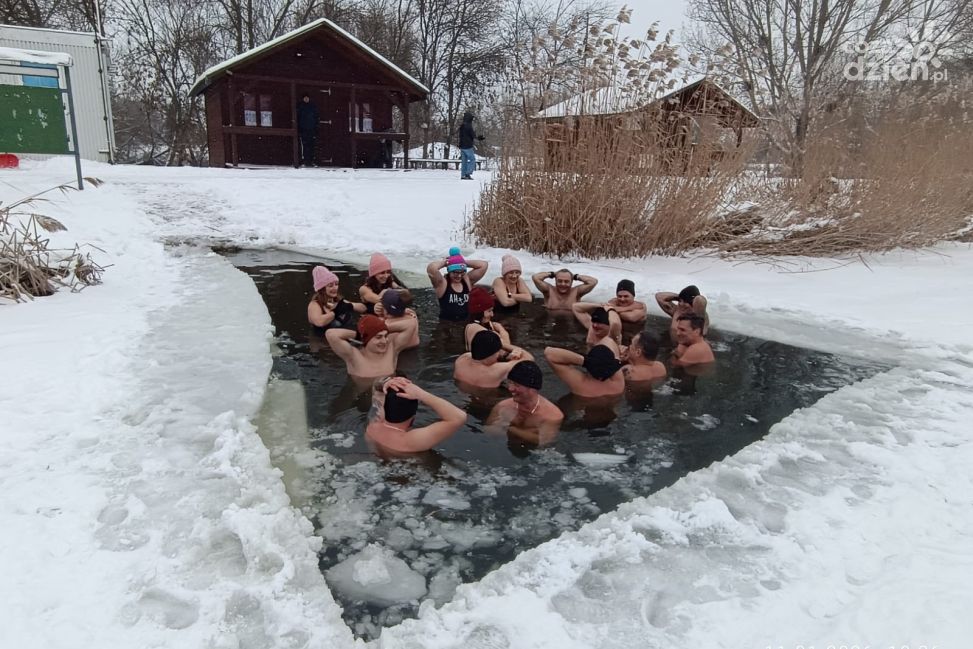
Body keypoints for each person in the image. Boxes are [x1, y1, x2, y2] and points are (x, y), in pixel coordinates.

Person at [365, 376, 467, 454]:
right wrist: (421, 394)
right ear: (414, 415)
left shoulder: (373, 424)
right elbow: (459, 417)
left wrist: (387, 382)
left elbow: (376, 386)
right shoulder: (410, 441)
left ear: (383, 407)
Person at [486, 361, 563, 446]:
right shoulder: (502, 407)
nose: (510, 388)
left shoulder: (552, 415)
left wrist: (511, 429)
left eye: (517, 385)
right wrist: (497, 427)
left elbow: (544, 441)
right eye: (510, 382)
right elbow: (487, 431)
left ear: (533, 388)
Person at [325, 313, 418, 378]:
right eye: (378, 337)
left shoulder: (392, 350)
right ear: (366, 339)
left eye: (385, 336)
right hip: (363, 397)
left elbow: (411, 324)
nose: (384, 341)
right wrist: (361, 334)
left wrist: (381, 327)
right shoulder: (354, 356)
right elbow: (331, 334)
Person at [464, 286, 530, 359]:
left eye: (492, 310)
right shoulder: (474, 327)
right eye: (489, 311)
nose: (492, 314)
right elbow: (505, 347)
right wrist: (502, 331)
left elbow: (503, 350)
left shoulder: (486, 324)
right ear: (478, 312)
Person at [427, 247, 489, 321]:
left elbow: (484, 265)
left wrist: (461, 262)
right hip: (447, 325)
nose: (459, 276)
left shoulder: (467, 280)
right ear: (449, 271)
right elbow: (431, 269)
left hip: (467, 323)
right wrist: (446, 262)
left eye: (462, 272)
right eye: (455, 272)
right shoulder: (442, 284)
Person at [544, 344, 625, 397]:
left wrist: (585, 361)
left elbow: (549, 352)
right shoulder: (618, 384)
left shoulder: (581, 385)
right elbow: (610, 342)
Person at [454, 330, 526, 389]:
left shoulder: (461, 359)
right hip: (490, 400)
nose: (498, 355)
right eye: (497, 352)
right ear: (491, 353)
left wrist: (505, 355)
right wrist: (503, 345)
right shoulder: (497, 370)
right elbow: (529, 358)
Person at [307, 265, 366, 332]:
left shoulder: (337, 301)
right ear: (322, 289)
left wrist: (349, 306)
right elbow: (319, 322)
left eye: (336, 284)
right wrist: (336, 312)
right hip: (320, 340)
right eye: (330, 285)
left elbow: (363, 308)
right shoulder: (314, 304)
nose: (335, 288)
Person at [531, 268, 598, 310]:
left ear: (571, 282)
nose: (563, 284)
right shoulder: (549, 291)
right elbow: (535, 277)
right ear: (555, 281)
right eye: (560, 281)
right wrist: (553, 274)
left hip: (572, 325)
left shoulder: (577, 292)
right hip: (550, 323)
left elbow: (593, 282)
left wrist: (575, 276)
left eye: (566, 281)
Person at [458, 111, 484, 180]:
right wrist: (479, 138)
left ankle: (463, 175)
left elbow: (460, 136)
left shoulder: (462, 126)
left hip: (462, 146)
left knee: (464, 161)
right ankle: (468, 173)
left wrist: (460, 144)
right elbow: (473, 135)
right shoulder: (469, 126)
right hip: (468, 146)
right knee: (472, 160)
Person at [297, 93, 320, 167]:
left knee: (312, 146)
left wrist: (316, 128)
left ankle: (312, 161)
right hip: (303, 129)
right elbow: (298, 118)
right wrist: (299, 128)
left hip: (311, 129)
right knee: (304, 145)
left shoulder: (313, 107)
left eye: (307, 98)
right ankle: (304, 161)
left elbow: (316, 118)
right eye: (305, 98)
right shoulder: (300, 107)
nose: (306, 99)